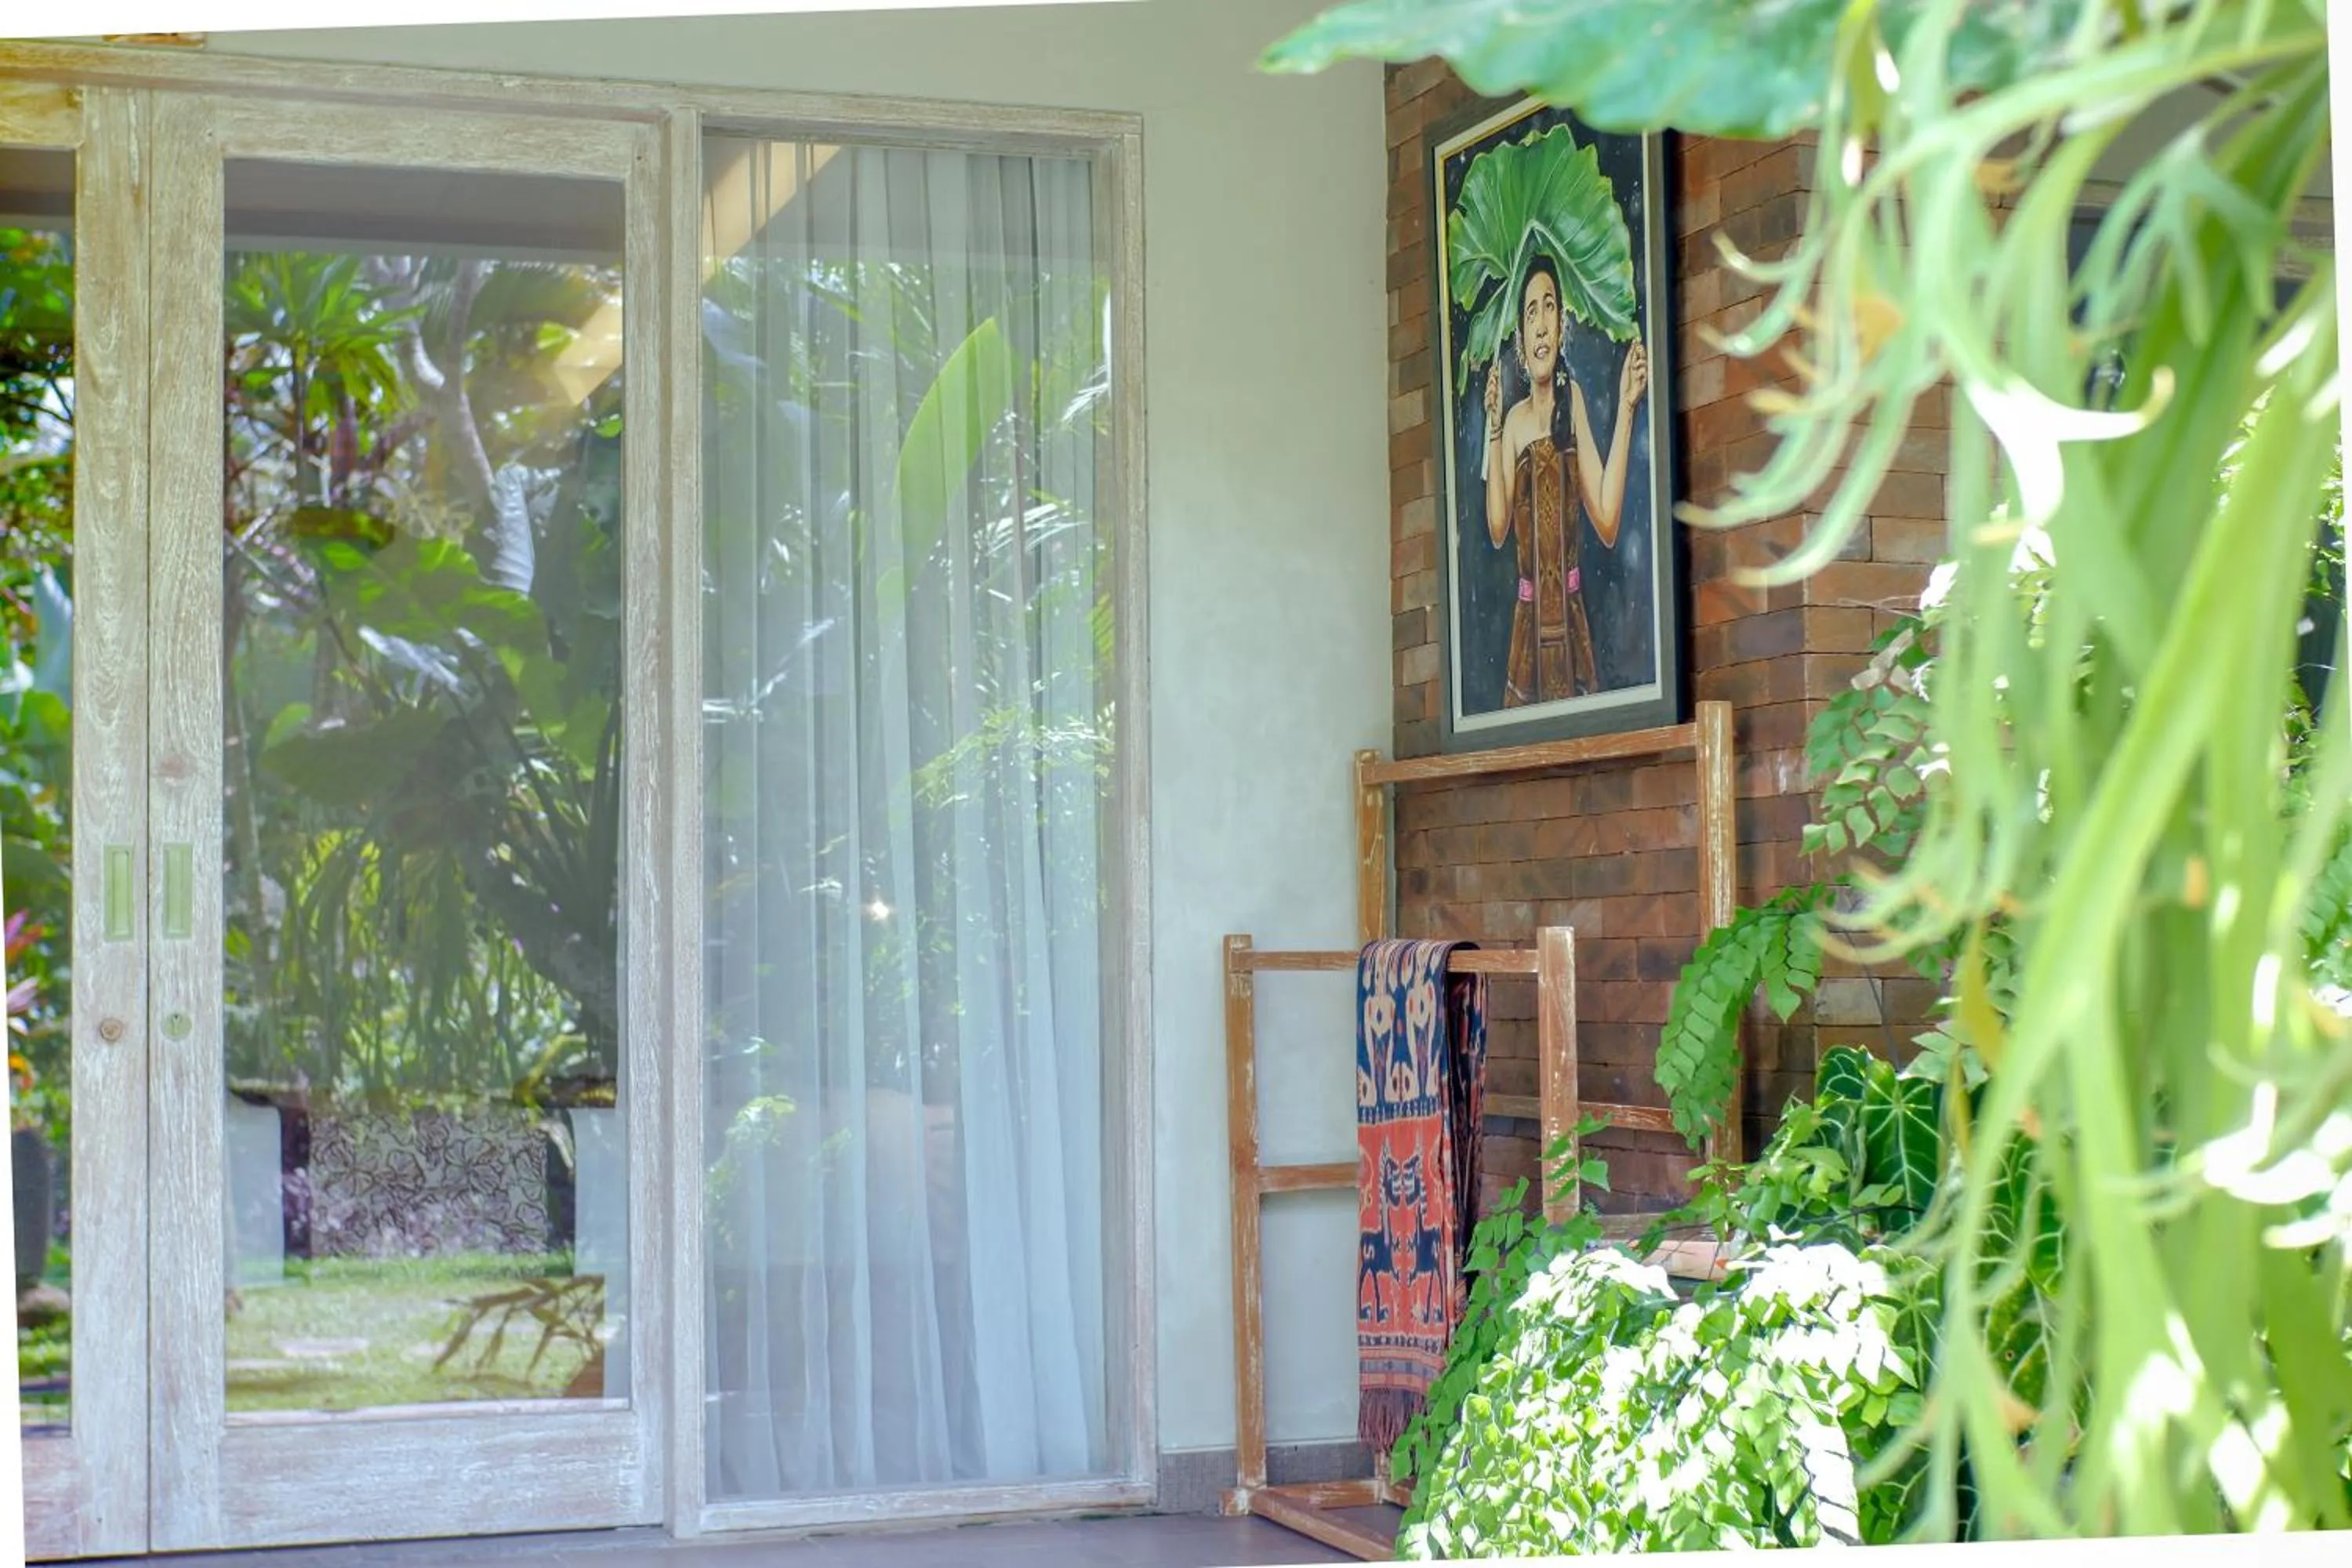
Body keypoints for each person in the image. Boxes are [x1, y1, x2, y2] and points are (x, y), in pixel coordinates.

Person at [1480, 252, 1649, 706]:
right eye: (1531, 312)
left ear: (1561, 327)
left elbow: (1608, 520)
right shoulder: (1512, 422)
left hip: (1572, 630)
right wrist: (1494, 429)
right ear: (1521, 336)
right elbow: (1497, 529)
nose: (1541, 324)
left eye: (1549, 307)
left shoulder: (1570, 402)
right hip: (1527, 633)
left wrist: (1627, 406)